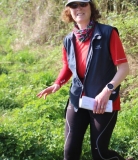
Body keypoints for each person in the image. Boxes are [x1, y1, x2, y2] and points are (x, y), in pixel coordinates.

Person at [37, 0, 131, 159]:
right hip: (77, 100)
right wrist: (57, 84)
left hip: (103, 102)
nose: (78, 8)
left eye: (83, 4)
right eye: (73, 6)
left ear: (91, 7)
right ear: (69, 11)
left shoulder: (108, 33)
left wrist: (106, 91)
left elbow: (124, 68)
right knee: (70, 151)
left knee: (100, 153)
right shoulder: (68, 39)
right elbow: (68, 66)